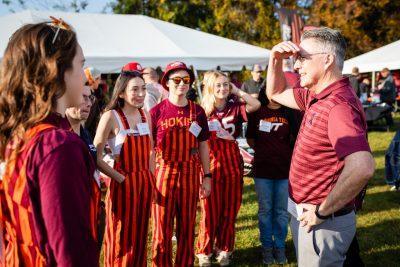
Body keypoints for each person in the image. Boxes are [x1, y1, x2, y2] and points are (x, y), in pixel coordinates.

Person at [266, 27, 375, 267]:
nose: (296, 66)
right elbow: (274, 92)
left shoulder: (338, 106)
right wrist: (274, 59)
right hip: (310, 215)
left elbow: (362, 167)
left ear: (327, 60)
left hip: (322, 220)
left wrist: (321, 212)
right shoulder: (317, 95)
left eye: (302, 58)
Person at [0, 20, 98, 266]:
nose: (85, 79)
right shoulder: (59, 146)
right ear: (59, 71)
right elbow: (69, 252)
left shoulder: (23, 135)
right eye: (80, 66)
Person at [150, 61, 211, 267]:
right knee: (161, 230)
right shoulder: (156, 112)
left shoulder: (198, 111)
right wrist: (150, 180)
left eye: (186, 80)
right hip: (163, 174)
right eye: (176, 79)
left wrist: (207, 176)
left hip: (190, 174)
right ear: (167, 82)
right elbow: (149, 150)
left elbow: (203, 146)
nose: (181, 84)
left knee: (186, 228)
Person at [196, 71, 260, 266]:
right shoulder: (202, 111)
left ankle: (224, 249)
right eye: (218, 86)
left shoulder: (235, 107)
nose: (223, 89)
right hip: (211, 165)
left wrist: (237, 90)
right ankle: (204, 251)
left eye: (226, 85)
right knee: (209, 211)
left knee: (229, 210)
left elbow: (256, 105)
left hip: (232, 164)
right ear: (210, 88)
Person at [93, 62, 155, 267]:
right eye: (134, 89)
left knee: (139, 236)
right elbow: (95, 156)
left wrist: (152, 179)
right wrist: (119, 178)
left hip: (145, 182)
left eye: (143, 88)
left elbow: (151, 151)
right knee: (121, 237)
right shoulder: (110, 117)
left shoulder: (145, 114)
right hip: (124, 183)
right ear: (121, 93)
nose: (140, 94)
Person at [246, 75, 302, 265]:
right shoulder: (257, 112)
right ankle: (266, 249)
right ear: (266, 90)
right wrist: (265, 151)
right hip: (262, 171)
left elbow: (295, 139)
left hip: (284, 171)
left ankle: (280, 247)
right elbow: (251, 139)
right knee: (265, 211)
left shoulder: (290, 113)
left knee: (280, 212)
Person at [65, 84, 104, 251]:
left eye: (90, 98)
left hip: (91, 212)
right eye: (83, 98)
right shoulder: (58, 136)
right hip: (70, 217)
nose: (88, 103)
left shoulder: (85, 133)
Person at [84, 66, 105, 138]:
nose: (100, 81)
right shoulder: (90, 98)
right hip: (88, 137)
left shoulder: (91, 95)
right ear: (93, 79)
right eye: (98, 78)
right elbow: (87, 123)